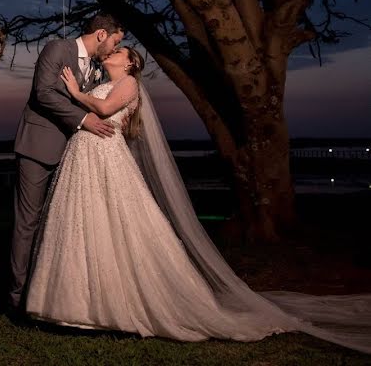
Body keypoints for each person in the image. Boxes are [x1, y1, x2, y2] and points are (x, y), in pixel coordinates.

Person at [23, 45, 371, 354]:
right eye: (114, 48)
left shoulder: (129, 84)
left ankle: (118, 307)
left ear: (130, 64)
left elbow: (103, 108)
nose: (114, 52)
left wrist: (73, 91)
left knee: (118, 225)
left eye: (121, 51)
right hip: (83, 157)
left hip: (105, 158)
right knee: (83, 225)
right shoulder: (102, 77)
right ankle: (75, 308)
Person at [9, 13, 124, 311]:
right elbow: (44, 93)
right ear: (101, 34)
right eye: (115, 41)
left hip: (75, 156)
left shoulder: (98, 66)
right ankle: (17, 296)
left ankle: (48, 293)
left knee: (60, 223)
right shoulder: (57, 49)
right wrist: (84, 118)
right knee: (28, 222)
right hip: (39, 147)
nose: (114, 48)